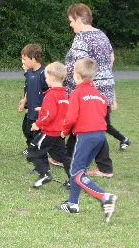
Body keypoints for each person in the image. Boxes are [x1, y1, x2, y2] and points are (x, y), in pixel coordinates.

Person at [64, 3, 131, 178]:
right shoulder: (101, 35)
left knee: (91, 127)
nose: (70, 24)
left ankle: (104, 168)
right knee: (92, 126)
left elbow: (78, 66)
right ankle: (65, 156)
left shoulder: (82, 38)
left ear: (79, 19)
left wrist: (68, 85)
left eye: (71, 20)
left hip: (89, 90)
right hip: (105, 88)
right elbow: (111, 58)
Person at [56, 58, 118, 223]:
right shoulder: (99, 95)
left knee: (75, 173)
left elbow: (71, 117)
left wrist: (64, 130)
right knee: (79, 170)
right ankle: (72, 204)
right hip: (100, 137)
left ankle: (104, 197)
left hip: (86, 136)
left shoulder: (77, 92)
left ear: (76, 75)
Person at [27, 62, 71, 189]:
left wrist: (37, 124)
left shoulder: (51, 94)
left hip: (49, 132)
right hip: (59, 133)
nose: (45, 80)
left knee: (33, 149)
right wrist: (43, 108)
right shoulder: (63, 94)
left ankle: (45, 174)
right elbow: (61, 111)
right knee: (62, 157)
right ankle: (74, 179)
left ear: (52, 78)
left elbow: (51, 115)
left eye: (46, 78)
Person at [18, 44, 48, 157]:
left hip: (39, 111)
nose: (23, 62)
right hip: (29, 109)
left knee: (37, 133)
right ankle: (30, 147)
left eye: (25, 59)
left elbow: (49, 93)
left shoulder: (44, 74)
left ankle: (36, 151)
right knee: (26, 129)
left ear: (33, 58)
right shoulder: (29, 72)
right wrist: (24, 100)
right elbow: (28, 88)